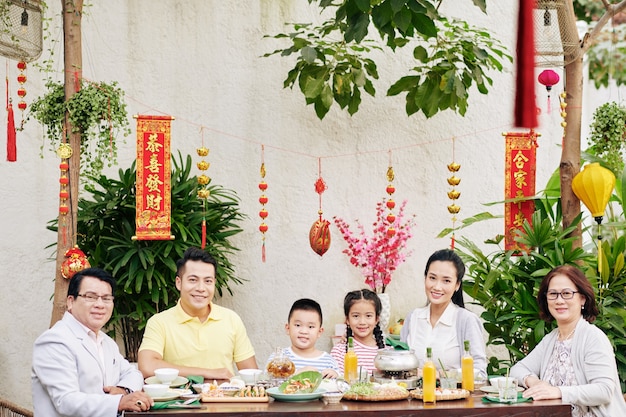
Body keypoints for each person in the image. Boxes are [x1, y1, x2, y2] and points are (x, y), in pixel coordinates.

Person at [31, 268, 153, 416]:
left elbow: (133, 373)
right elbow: (66, 401)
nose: (100, 304)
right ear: (71, 302)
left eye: (106, 298)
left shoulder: (106, 341)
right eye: (91, 297)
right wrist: (119, 402)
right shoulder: (54, 341)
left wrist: (123, 389)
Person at [510, 265, 626, 417]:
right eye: (553, 294)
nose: (559, 300)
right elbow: (517, 369)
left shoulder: (593, 338)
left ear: (582, 299)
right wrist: (537, 384)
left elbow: (603, 390)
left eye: (566, 293)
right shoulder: (552, 339)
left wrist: (558, 392)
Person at [138, 247, 257, 380]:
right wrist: (208, 373)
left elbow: (251, 373)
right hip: (178, 399)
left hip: (223, 398)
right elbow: (147, 366)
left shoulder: (231, 319)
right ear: (179, 283)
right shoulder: (159, 322)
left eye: (208, 281)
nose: (201, 288)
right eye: (193, 280)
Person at [400, 249, 487, 377]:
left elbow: (479, 373)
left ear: (457, 285)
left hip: (453, 395)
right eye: (432, 278)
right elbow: (400, 362)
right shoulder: (413, 317)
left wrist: (440, 375)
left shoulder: (466, 320)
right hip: (413, 395)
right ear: (425, 278)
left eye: (446, 281)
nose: (437, 287)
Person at [266, 298, 338, 378]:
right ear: (288, 328)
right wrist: (296, 375)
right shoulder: (278, 359)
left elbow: (343, 386)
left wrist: (336, 377)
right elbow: (266, 384)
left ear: (319, 332)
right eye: (298, 325)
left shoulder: (328, 361)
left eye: (310, 327)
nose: (304, 331)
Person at [330, 289, 385, 375]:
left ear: (376, 319)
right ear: (347, 319)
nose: (362, 322)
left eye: (368, 316)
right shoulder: (339, 352)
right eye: (356, 316)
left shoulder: (386, 352)